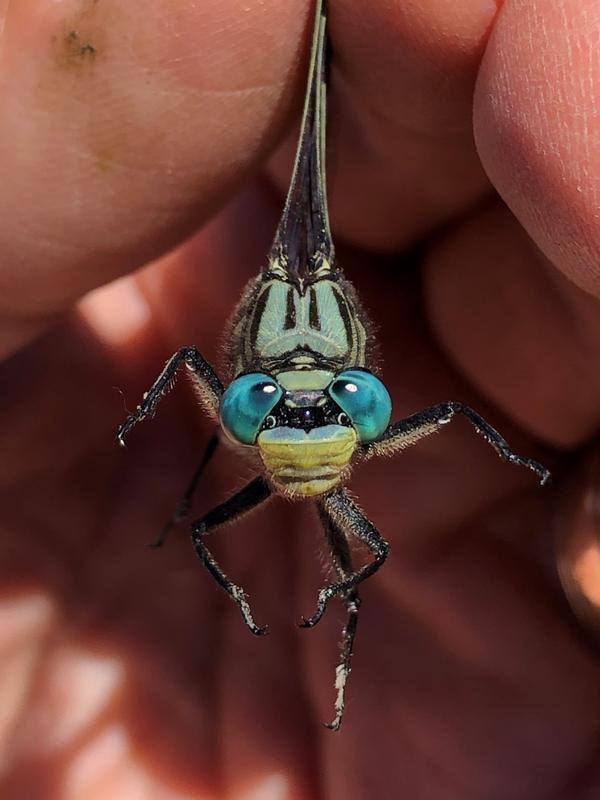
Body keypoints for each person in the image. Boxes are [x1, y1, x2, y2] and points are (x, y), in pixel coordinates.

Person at [0, 0, 599, 796]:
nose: (309, 413)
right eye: (271, 406)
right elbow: (187, 359)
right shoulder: (288, 420)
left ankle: (343, 660)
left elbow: (196, 366)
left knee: (351, 551)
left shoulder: (267, 417)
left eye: (338, 401)